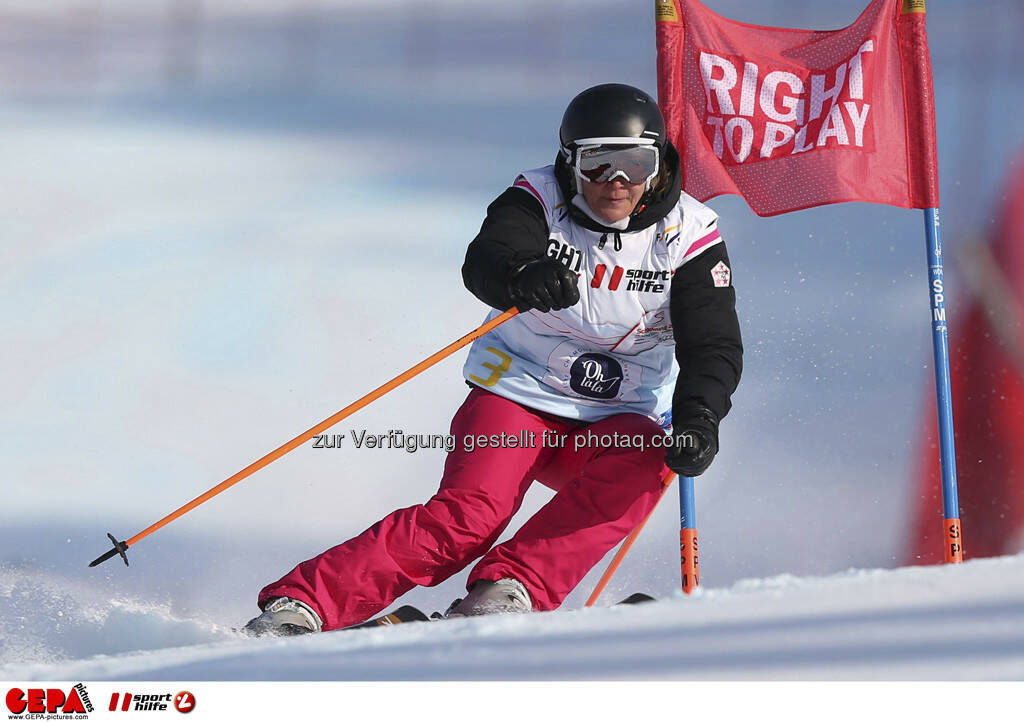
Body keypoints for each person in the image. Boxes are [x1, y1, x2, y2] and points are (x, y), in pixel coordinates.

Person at [244, 83, 742, 636]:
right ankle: (304, 605)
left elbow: (712, 343)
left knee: (651, 458)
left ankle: (510, 589)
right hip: (519, 394)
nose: (616, 182)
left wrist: (700, 417)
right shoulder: (538, 195)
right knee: (471, 515)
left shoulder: (690, 236)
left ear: (658, 163)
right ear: (570, 160)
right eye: (598, 163)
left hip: (613, 417)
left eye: (634, 163)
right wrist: (520, 275)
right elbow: (488, 256)